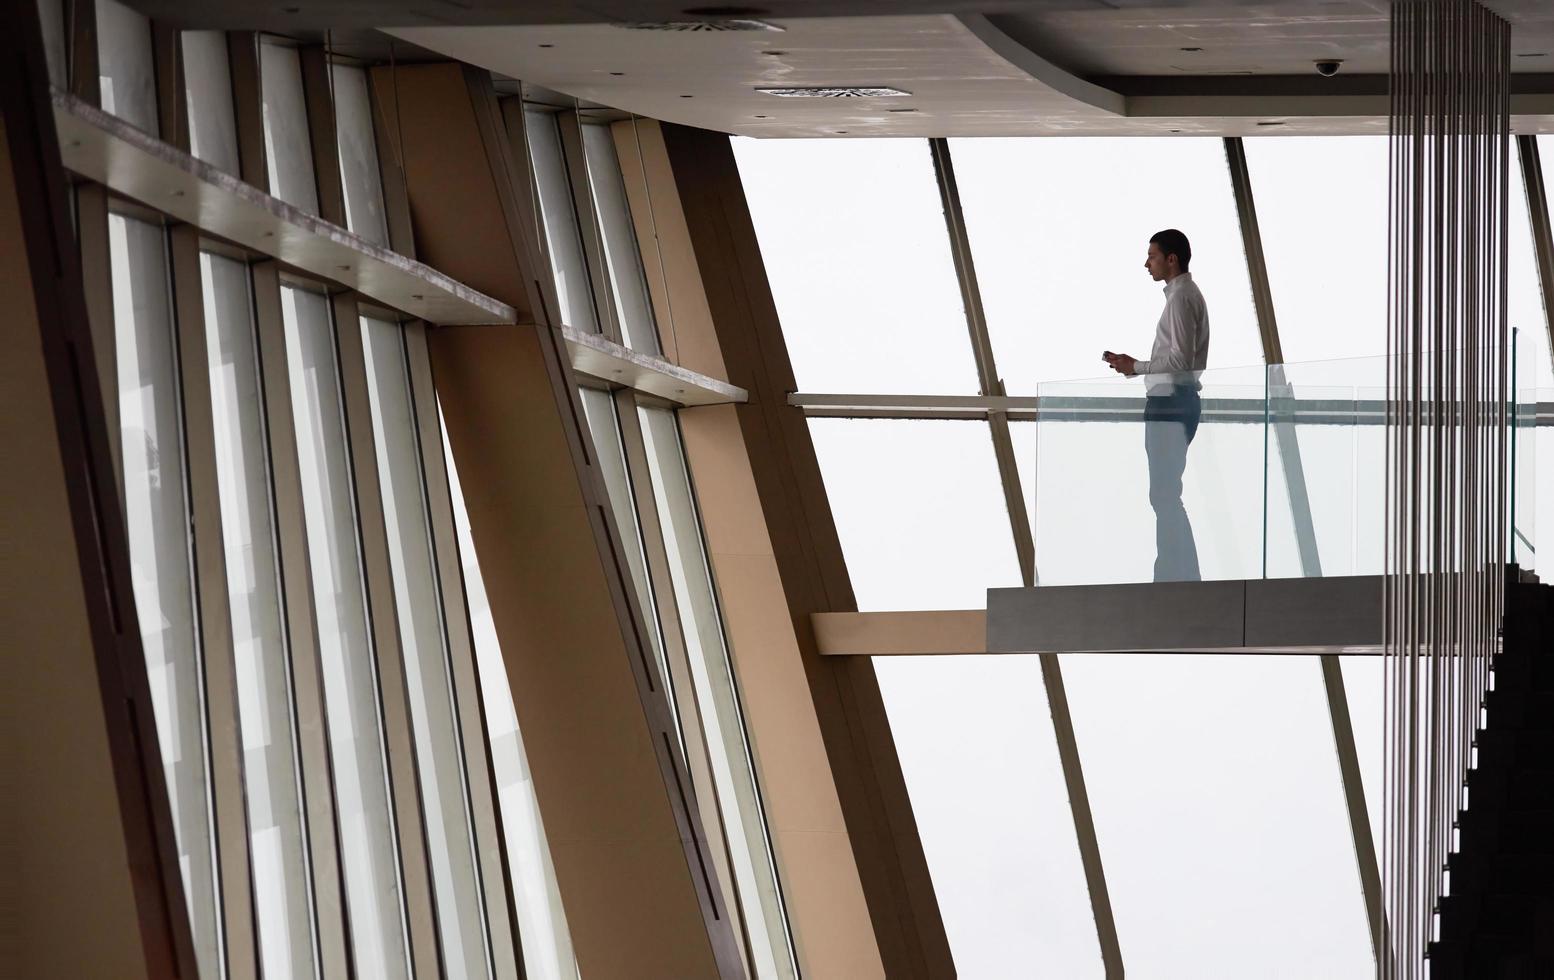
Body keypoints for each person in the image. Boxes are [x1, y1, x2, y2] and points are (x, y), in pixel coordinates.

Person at [1103, 229, 1210, 582]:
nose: (1146, 263)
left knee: (1164, 495)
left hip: (1171, 403)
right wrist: (1134, 367)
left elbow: (1180, 362)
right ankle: (1177, 574)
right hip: (1177, 402)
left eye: (1152, 256)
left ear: (1171, 259)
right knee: (1165, 494)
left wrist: (1137, 366)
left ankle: (1176, 576)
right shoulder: (1183, 297)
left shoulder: (1181, 299)